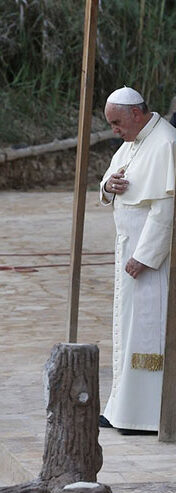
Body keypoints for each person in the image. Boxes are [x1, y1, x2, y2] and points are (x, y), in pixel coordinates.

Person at [99, 86, 176, 435]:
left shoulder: (164, 142)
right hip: (128, 252)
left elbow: (165, 209)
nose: (114, 130)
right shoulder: (133, 140)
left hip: (149, 261)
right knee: (126, 330)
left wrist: (145, 257)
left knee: (146, 331)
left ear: (135, 113)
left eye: (116, 122)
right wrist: (107, 185)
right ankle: (122, 408)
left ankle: (145, 416)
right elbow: (112, 178)